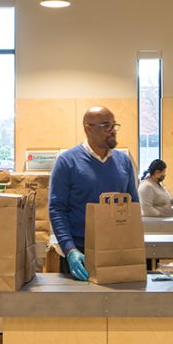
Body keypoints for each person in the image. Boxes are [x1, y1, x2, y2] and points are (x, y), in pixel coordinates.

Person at [49, 106, 139, 281]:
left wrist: (132, 243)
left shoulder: (124, 163)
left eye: (114, 125)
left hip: (116, 252)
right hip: (79, 254)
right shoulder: (67, 162)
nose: (113, 131)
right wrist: (70, 250)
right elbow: (57, 209)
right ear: (88, 129)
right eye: (106, 126)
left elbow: (133, 206)